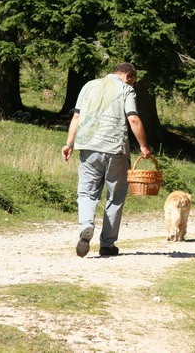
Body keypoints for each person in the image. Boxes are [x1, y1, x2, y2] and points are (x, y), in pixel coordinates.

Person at [62, 62, 151, 257]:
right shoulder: (126, 89)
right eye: (134, 81)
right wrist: (143, 146)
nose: (133, 85)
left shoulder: (88, 85)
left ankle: (86, 226)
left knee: (86, 192)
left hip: (88, 146)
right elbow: (133, 118)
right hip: (115, 149)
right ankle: (107, 244)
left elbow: (76, 117)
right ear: (128, 76)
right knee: (115, 196)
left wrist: (69, 144)